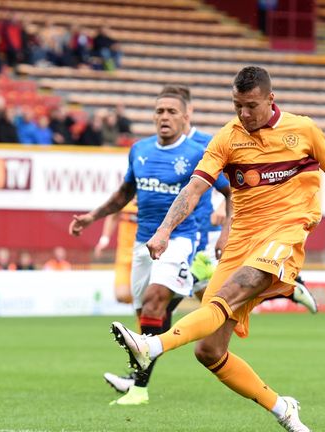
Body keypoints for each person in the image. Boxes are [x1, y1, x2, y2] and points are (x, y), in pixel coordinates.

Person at [109, 66, 325, 432]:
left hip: (286, 231)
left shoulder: (303, 130)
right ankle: (283, 409)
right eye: (237, 105)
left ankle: (153, 346)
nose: (244, 114)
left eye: (251, 106)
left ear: (271, 100)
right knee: (209, 352)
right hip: (242, 238)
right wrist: (163, 231)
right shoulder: (227, 137)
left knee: (237, 287)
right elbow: (195, 189)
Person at [71, 85, 226, 406]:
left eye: (171, 111)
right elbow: (125, 193)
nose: (164, 117)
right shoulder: (139, 150)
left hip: (182, 239)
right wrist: (92, 217)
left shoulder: (197, 153)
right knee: (148, 317)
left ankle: (138, 389)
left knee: (156, 302)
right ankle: (137, 381)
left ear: (186, 117)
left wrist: (226, 231)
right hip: (143, 242)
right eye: (159, 111)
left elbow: (231, 192)